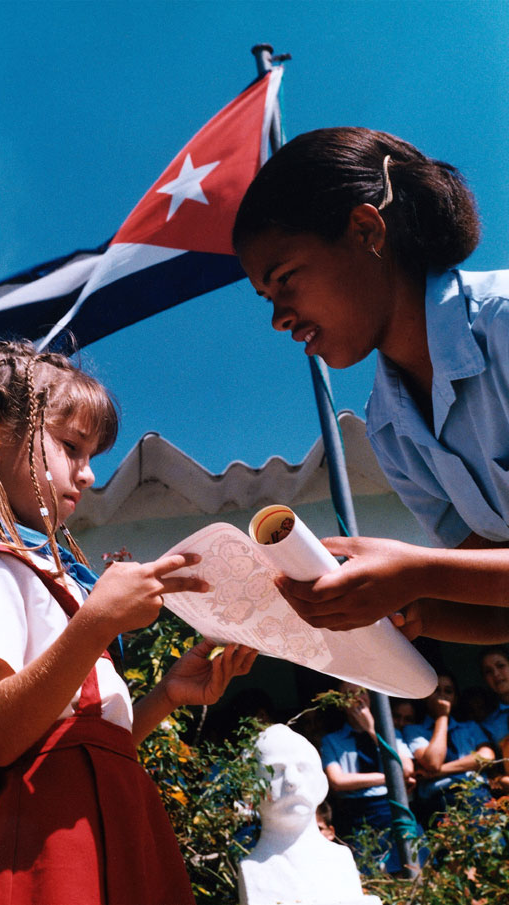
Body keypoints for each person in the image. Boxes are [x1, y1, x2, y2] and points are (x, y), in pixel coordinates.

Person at [0, 340, 257, 905]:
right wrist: (94, 625)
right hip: (50, 832)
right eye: (72, 447)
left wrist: (165, 696)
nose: (87, 475)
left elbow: (83, 747)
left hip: (104, 813)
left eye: (93, 457)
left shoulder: (49, 570)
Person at [233, 127, 509, 644]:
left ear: (365, 231)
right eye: (265, 296)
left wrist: (419, 573)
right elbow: (497, 600)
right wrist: (403, 613)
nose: (277, 318)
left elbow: (443, 572)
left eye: (286, 277)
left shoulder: (505, 323)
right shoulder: (389, 431)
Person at [238, 723, 380, 905]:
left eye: (302, 768)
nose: (292, 781)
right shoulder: (254, 871)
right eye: (275, 771)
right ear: (249, 791)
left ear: (322, 784)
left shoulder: (340, 860)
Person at [319, 682, 421, 874]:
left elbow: (407, 769)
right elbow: (338, 782)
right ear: (341, 703)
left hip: (390, 807)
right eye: (350, 694)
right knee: (370, 875)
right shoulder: (331, 741)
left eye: (363, 692)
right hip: (358, 814)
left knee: (410, 865)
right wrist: (390, 777)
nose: (358, 699)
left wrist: (372, 730)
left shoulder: (392, 734)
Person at [403, 671, 494, 826]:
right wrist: (442, 717)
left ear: (455, 699)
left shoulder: (469, 727)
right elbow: (433, 762)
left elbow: (487, 756)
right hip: (440, 801)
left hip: (476, 794)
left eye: (448, 691)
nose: (442, 696)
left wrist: (436, 773)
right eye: (436, 690)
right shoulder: (414, 730)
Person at [479, 646, 509, 792]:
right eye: (488, 672)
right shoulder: (488, 724)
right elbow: (494, 772)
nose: (496, 674)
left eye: (501, 666)